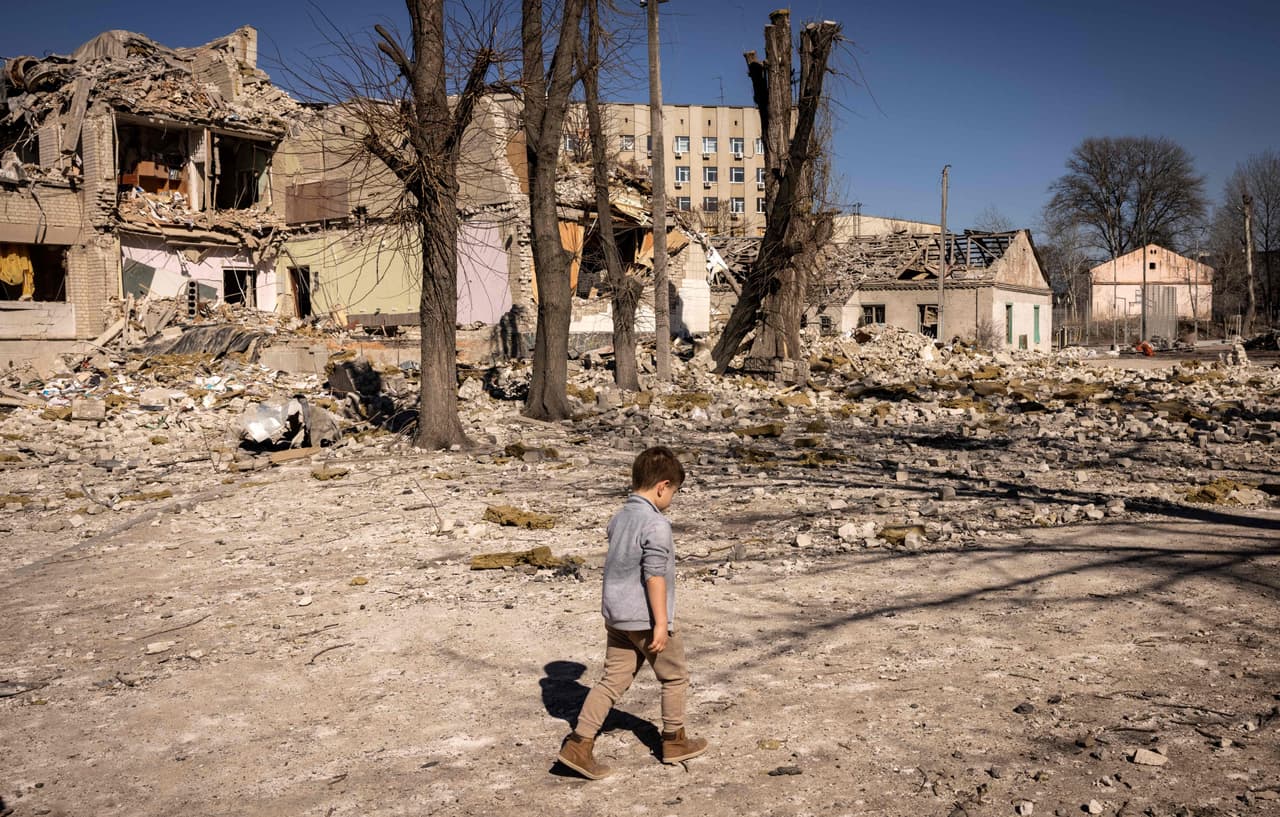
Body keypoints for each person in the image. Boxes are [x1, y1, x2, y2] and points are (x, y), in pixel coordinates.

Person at [556, 446, 708, 780]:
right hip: (646, 619)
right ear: (662, 487)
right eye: (674, 493)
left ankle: (578, 744)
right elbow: (653, 576)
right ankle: (674, 741)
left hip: (617, 618)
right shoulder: (656, 525)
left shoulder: (619, 517)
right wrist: (662, 624)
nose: (671, 499)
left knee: (611, 681)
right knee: (674, 676)